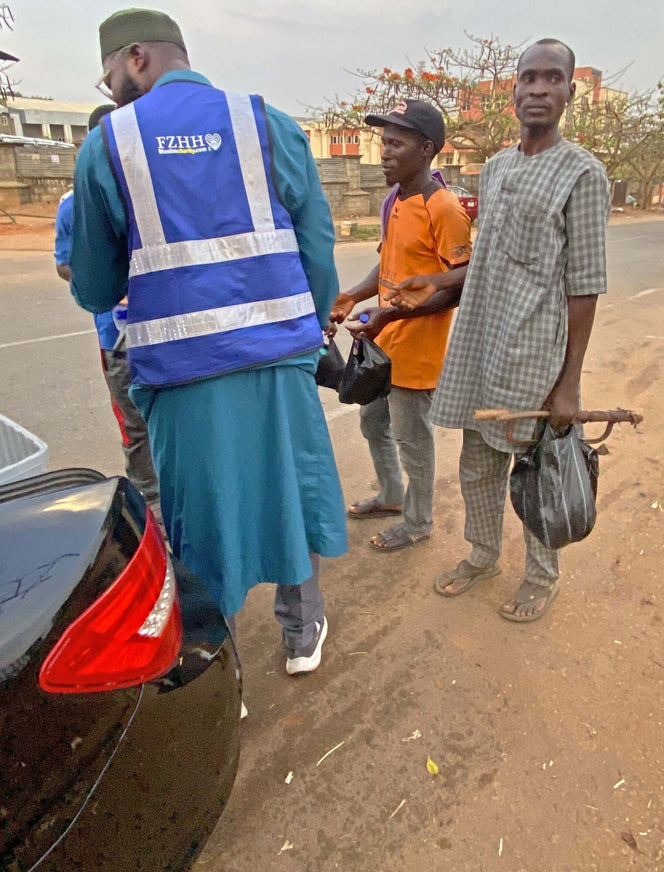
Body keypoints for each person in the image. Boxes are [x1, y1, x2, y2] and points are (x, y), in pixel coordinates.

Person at [70, 8, 347, 674]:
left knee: (198, 516)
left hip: (181, 372)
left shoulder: (108, 146)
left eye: (110, 73)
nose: (110, 89)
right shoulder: (268, 124)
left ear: (135, 57)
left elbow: (97, 289)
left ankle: (217, 659)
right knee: (289, 490)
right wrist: (304, 332)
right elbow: (317, 246)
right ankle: (302, 631)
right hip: (279, 359)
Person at [388, 39, 609, 620]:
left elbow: (583, 285)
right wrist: (431, 284)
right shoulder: (496, 169)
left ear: (568, 92)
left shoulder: (583, 173)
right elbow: (483, 264)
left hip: (538, 355)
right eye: (529, 78)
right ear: (513, 92)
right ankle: (483, 554)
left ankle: (542, 574)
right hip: (481, 346)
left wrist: (568, 384)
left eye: (553, 78)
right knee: (476, 464)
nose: (539, 88)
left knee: (538, 473)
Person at [330, 100, 471, 552]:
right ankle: (392, 495)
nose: (384, 153)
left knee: (413, 439)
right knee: (373, 424)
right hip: (383, 344)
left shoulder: (443, 208)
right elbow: (388, 266)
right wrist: (355, 295)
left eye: (396, 143)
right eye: (383, 142)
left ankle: (418, 521)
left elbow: (462, 282)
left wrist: (394, 313)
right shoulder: (395, 200)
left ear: (426, 149)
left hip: (418, 350)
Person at [54, 103, 161, 514]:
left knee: (174, 420)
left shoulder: (152, 187)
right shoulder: (74, 205)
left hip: (167, 329)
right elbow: (65, 264)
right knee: (136, 429)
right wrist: (106, 282)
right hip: (116, 338)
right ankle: (150, 507)